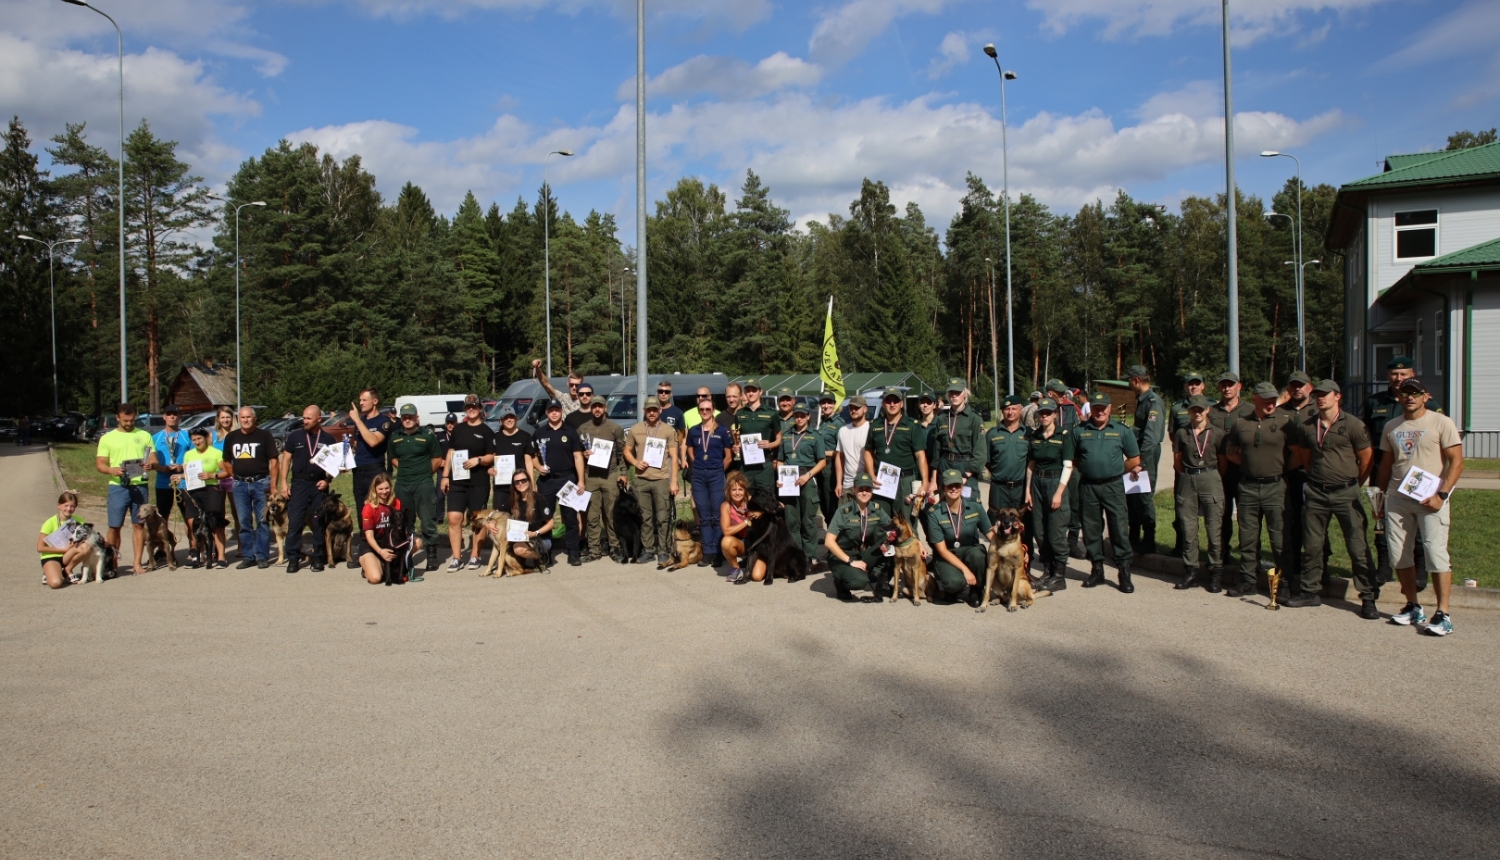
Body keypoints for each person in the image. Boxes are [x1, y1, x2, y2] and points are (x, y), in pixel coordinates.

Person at [1374, 377, 1464, 635]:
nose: (1409, 397)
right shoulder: (1392, 426)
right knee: (1398, 554)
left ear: (1425, 396)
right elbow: (1387, 464)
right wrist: (1379, 498)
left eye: (1415, 392)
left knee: (1435, 554)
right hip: (1397, 498)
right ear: (1399, 396)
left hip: (1431, 498)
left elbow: (1456, 462)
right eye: (1405, 393)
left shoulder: (1441, 422)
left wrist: (1442, 495)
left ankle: (1443, 613)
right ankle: (1412, 605)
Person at [1289, 380, 1379, 616]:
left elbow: (1367, 460)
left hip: (1346, 492)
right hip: (1317, 493)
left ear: (1337, 396)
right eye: (1317, 394)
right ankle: (1310, 591)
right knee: (1312, 545)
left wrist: (1353, 485)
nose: (1320, 398)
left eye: (1325, 394)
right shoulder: (1308, 426)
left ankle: (1368, 597)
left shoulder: (1353, 425)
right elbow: (1306, 458)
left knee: (1357, 546)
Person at [1362, 356, 1433, 591]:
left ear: (1412, 375)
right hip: (1381, 470)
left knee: (1418, 522)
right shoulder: (1374, 403)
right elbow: (1366, 440)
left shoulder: (1428, 404)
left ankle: (1420, 569)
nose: (1398, 378)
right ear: (1387, 376)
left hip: (1416, 474)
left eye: (1404, 374)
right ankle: (1385, 567)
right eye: (1394, 374)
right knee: (1380, 520)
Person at [1222, 382, 1296, 599]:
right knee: (1248, 537)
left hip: (1276, 487)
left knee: (1280, 538)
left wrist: (1278, 469)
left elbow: (1298, 454)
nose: (1271, 403)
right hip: (1248, 487)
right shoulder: (1241, 423)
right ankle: (1248, 580)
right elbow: (1231, 452)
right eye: (1266, 399)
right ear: (1254, 398)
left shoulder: (1285, 423)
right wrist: (1249, 466)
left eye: (1274, 399)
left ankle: (1283, 582)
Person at [1072, 392, 1142, 592]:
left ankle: (1124, 572)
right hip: (1088, 486)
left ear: (1110, 408)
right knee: (1091, 529)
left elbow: (1135, 460)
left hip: (1113, 486)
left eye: (1103, 407)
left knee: (1119, 528)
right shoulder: (1080, 431)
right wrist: (1091, 468)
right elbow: (1075, 460)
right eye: (1096, 407)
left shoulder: (1121, 431)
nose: (1100, 411)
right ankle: (1097, 570)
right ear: (1090, 408)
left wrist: (1116, 470)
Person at [94, 402, 158, 575]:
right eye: (126, 421)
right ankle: (113, 561)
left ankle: (137, 563)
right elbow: (100, 464)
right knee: (115, 526)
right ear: (117, 418)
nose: (129, 424)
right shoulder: (107, 438)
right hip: (118, 486)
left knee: (139, 525)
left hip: (140, 486)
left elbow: (154, 459)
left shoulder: (144, 435)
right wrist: (111, 470)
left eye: (132, 420)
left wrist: (150, 465)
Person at [1170, 395, 1224, 590]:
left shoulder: (1217, 433)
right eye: (1194, 409)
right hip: (1188, 478)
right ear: (1190, 411)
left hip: (1210, 476)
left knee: (1213, 528)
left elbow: (1223, 462)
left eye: (1201, 409)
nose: (1198, 412)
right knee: (1188, 528)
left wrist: (1210, 475)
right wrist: (1187, 475)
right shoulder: (1182, 432)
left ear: (1207, 410)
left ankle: (1215, 571)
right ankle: (1191, 571)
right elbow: (1177, 459)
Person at [440, 394, 495, 571]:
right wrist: (445, 475)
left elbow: (492, 456)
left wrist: (478, 460)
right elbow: (451, 452)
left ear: (480, 409)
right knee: (454, 518)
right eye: (468, 407)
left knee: (478, 519)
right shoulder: (458, 429)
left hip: (478, 482)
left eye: (475, 406)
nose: (471, 409)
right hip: (457, 481)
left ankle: (475, 555)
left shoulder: (486, 431)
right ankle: (457, 558)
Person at [386, 404, 443, 575]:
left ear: (417, 417)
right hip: (403, 484)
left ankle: (432, 555)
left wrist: (425, 473)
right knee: (403, 521)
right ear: (400, 418)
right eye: (404, 417)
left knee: (427, 520)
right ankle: (407, 554)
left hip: (423, 483)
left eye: (410, 416)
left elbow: (437, 458)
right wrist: (406, 470)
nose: (407, 419)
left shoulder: (427, 436)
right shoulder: (395, 437)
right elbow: (394, 458)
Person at [922, 469, 991, 606]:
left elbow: (991, 535)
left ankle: (976, 590)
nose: (954, 489)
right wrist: (965, 570)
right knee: (953, 583)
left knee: (978, 555)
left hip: (971, 551)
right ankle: (954, 588)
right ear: (943, 487)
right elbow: (942, 550)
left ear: (962, 486)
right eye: (949, 486)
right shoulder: (934, 513)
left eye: (957, 485)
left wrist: (1017, 548)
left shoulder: (975, 505)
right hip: (948, 555)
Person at [1024, 397, 1073, 592]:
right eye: (1041, 413)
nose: (1044, 415)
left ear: (1054, 414)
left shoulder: (1063, 435)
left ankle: (1059, 576)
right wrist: (1028, 490)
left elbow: (1068, 466)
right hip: (1037, 483)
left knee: (1056, 533)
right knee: (1040, 531)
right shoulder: (1035, 435)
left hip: (1055, 482)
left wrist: (1059, 493)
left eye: (1048, 412)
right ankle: (1047, 571)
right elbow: (1031, 465)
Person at [223, 405, 280, 570]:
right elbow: (226, 461)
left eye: (249, 417)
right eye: (242, 417)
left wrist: (273, 485)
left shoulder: (264, 435)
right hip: (240, 485)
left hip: (261, 483)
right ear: (238, 419)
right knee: (243, 521)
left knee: (262, 521)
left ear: (254, 418)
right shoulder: (232, 437)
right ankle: (249, 556)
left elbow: (274, 461)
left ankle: (262, 556)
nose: (246, 420)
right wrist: (235, 475)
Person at [862, 388, 930, 525]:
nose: (892, 404)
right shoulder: (875, 425)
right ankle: (885, 547)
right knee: (881, 522)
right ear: (883, 404)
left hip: (905, 481)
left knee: (907, 524)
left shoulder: (912, 425)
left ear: (901, 404)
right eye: (888, 400)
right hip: (882, 481)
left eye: (896, 401)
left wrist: (925, 482)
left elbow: (920, 456)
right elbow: (868, 452)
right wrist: (871, 475)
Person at [530, 399, 586, 565]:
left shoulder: (570, 432)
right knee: (545, 518)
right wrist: (538, 467)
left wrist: (581, 480)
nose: (554, 413)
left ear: (561, 412)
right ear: (546, 413)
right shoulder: (539, 433)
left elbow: (578, 456)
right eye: (551, 410)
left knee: (570, 518)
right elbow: (532, 456)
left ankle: (573, 553)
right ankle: (546, 553)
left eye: (557, 410)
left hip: (567, 479)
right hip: (547, 481)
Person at [1276, 370, 1318, 589]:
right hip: (1286, 475)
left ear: (1309, 387)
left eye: (1301, 385)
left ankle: (1319, 568)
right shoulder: (1279, 411)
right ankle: (1291, 565)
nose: (1297, 389)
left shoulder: (1318, 410)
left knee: (1313, 522)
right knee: (1289, 522)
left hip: (1311, 475)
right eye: (1293, 386)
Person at [1208, 372, 1254, 571]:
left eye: (1230, 385)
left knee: (1247, 516)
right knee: (1222, 514)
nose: (1227, 388)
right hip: (1220, 471)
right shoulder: (1212, 411)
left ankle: (1251, 558)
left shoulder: (1250, 410)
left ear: (1239, 386)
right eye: (1223, 385)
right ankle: (1222, 554)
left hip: (1242, 469)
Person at [824, 472, 894, 602]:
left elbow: (895, 528)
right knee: (858, 582)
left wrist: (918, 542)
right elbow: (828, 542)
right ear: (854, 489)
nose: (864, 492)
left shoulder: (877, 509)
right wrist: (851, 561)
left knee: (893, 540)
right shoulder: (843, 512)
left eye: (868, 489)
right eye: (861, 489)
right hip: (842, 556)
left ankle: (881, 583)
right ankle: (840, 582)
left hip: (863, 553)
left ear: (872, 491)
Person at [624, 400, 678, 567]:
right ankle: (648, 549)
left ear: (660, 410)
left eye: (655, 409)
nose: (652, 413)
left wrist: (674, 481)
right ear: (644, 410)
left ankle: (663, 550)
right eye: (649, 410)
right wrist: (635, 462)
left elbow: (675, 457)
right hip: (641, 480)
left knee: (663, 517)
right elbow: (626, 450)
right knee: (645, 518)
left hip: (661, 479)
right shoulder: (636, 429)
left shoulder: (668, 430)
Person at [347, 388, 394, 563]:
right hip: (359, 471)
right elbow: (356, 446)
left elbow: (374, 441)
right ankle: (365, 550)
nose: (361, 403)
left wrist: (358, 420)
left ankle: (384, 547)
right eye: (360, 400)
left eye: (364, 400)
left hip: (375, 471)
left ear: (375, 401)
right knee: (362, 512)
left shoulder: (384, 422)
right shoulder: (360, 423)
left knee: (379, 510)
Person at [686, 399, 733, 567]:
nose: (705, 411)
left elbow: (728, 456)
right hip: (699, 475)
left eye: (708, 409)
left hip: (716, 475)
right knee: (704, 515)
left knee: (717, 514)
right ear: (699, 411)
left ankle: (719, 553)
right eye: (702, 409)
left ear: (713, 410)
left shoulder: (722, 430)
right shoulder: (693, 431)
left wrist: (719, 469)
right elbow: (690, 452)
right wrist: (699, 465)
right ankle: (708, 552)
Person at [777, 402, 826, 562]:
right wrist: (780, 477)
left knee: (808, 520)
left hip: (807, 479)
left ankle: (810, 556)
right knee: (791, 520)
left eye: (802, 415)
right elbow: (780, 460)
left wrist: (809, 475)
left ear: (808, 416)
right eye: (796, 415)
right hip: (789, 481)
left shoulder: (815, 436)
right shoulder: (786, 435)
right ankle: (795, 555)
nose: (799, 418)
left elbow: (822, 461)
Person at [580, 398, 627, 563]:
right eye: (594, 407)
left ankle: (614, 547)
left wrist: (624, 473)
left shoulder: (615, 428)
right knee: (592, 516)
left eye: (600, 406)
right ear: (591, 409)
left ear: (605, 408)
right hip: (590, 477)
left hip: (610, 476)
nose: (597, 409)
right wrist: (583, 455)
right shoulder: (583, 429)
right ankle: (594, 549)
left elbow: (622, 453)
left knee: (611, 514)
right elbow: (576, 454)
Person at [175, 426, 229, 568]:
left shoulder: (216, 453)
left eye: (199, 439)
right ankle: (199, 556)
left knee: (215, 524)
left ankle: (221, 557)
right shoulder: (188, 455)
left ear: (206, 438)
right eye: (194, 440)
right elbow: (187, 474)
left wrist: (212, 475)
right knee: (195, 525)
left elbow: (226, 472)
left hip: (211, 490)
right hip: (193, 491)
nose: (197, 442)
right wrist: (179, 476)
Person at [1126, 366, 1166, 555]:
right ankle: (1133, 538)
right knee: (1132, 496)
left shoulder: (1153, 402)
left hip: (1145, 456)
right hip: (1138, 456)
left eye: (1129, 381)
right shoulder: (1142, 400)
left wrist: (1140, 463)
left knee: (1143, 497)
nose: (1128, 384)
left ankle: (1148, 540)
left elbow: (1151, 437)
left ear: (1136, 380)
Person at [1168, 371, 1209, 556]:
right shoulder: (1177, 409)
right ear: (1185, 387)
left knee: (1211, 508)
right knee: (1182, 505)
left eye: (1196, 383)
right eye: (1189, 384)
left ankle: (1216, 551)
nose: (1193, 386)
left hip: (1207, 467)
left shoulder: (1212, 406)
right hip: (1184, 465)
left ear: (1203, 386)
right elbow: (1173, 435)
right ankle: (1181, 546)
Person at [1046, 378, 1086, 558]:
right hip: (1050, 464)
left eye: (1064, 392)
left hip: (1071, 463)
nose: (1064, 396)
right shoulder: (1042, 410)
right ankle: (1052, 542)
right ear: (1050, 393)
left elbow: (1080, 433)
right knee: (1051, 503)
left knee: (1075, 502)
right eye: (1060, 393)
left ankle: (1073, 541)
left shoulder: (1071, 409)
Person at [927, 378, 985, 498]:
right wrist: (933, 480)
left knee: (967, 509)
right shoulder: (942, 418)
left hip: (965, 468)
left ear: (965, 394)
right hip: (945, 467)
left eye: (958, 392)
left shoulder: (974, 419)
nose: (954, 395)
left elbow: (980, 453)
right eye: (951, 392)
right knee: (945, 508)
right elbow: (937, 452)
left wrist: (965, 476)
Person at [358, 473, 415, 586]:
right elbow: (369, 536)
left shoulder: (396, 503)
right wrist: (380, 551)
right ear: (374, 489)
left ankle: (391, 565)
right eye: (380, 489)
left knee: (417, 542)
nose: (384, 492)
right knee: (375, 579)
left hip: (390, 542)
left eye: (386, 488)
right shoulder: (368, 508)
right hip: (372, 545)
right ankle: (369, 564)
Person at [149, 404, 190, 558]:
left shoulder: (186, 436)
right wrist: (161, 468)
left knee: (188, 517)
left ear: (179, 417)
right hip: (163, 483)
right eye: (169, 414)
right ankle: (161, 549)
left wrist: (182, 467)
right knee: (162, 517)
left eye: (175, 414)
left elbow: (193, 459)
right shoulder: (155, 438)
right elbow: (151, 462)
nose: (172, 417)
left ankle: (193, 547)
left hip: (183, 482)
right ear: (164, 417)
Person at [492, 471, 555, 569]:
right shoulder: (513, 500)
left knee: (519, 549)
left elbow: (551, 524)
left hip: (541, 538)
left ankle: (541, 557)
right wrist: (489, 524)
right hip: (522, 538)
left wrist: (535, 533)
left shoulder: (538, 499)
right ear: (513, 485)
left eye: (523, 480)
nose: (520, 483)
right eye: (517, 482)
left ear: (529, 482)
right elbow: (496, 513)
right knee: (510, 547)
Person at [983, 394, 1029, 516]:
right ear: (1003, 411)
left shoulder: (1029, 433)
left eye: (1014, 408)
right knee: (996, 521)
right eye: (1007, 409)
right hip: (999, 487)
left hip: (1021, 487)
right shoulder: (992, 434)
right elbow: (987, 460)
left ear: (1020, 410)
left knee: (1022, 524)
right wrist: (1000, 473)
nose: (1010, 412)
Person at [734, 380, 781, 492]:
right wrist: (736, 446)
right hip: (746, 466)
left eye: (754, 391)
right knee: (746, 498)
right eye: (748, 391)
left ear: (760, 392)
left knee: (767, 499)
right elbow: (736, 437)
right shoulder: (739, 414)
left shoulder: (772, 413)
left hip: (764, 465)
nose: (750, 393)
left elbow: (779, 438)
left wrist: (769, 444)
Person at [488, 406, 533, 515]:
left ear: (516, 419)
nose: (509, 420)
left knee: (522, 518)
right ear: (501, 421)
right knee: (500, 518)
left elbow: (528, 462)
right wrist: (489, 469)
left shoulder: (525, 436)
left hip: (520, 484)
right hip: (501, 486)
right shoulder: (495, 438)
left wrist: (531, 484)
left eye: (511, 417)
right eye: (506, 418)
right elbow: (489, 459)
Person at [38, 490, 86, 588]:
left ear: (75, 507)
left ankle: (67, 570)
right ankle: (49, 572)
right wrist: (63, 549)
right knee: (56, 583)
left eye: (72, 506)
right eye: (66, 505)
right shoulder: (50, 523)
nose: (69, 509)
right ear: (58, 505)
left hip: (67, 555)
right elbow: (40, 548)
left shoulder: (79, 520)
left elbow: (88, 537)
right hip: (51, 556)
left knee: (87, 546)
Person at [209, 405, 242, 541]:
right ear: (218, 419)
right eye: (223, 417)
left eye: (228, 417)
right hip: (217, 478)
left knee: (238, 513)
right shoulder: (212, 436)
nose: (225, 420)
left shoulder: (238, 434)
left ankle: (242, 545)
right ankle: (219, 549)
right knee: (218, 513)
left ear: (232, 418)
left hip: (234, 477)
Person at [816, 393, 846, 523]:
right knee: (822, 500)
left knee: (830, 502)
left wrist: (821, 452)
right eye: (823, 403)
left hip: (832, 467)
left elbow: (842, 451)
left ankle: (833, 534)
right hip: (820, 466)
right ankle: (830, 531)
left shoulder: (839, 423)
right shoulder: (822, 421)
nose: (826, 405)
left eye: (829, 403)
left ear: (834, 404)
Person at [718, 472, 753, 580]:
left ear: (745, 491)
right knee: (726, 541)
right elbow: (726, 531)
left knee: (757, 576)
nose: (737, 493)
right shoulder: (725, 506)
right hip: (742, 542)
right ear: (729, 491)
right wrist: (746, 521)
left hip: (757, 542)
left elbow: (777, 505)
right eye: (734, 490)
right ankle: (735, 568)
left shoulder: (752, 500)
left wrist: (760, 512)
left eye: (740, 489)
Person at [834, 398, 871, 495]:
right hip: (847, 485)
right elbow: (840, 457)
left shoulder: (870, 429)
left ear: (865, 409)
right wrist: (839, 483)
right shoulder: (843, 430)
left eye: (857, 408)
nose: (853, 410)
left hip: (865, 485)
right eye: (851, 408)